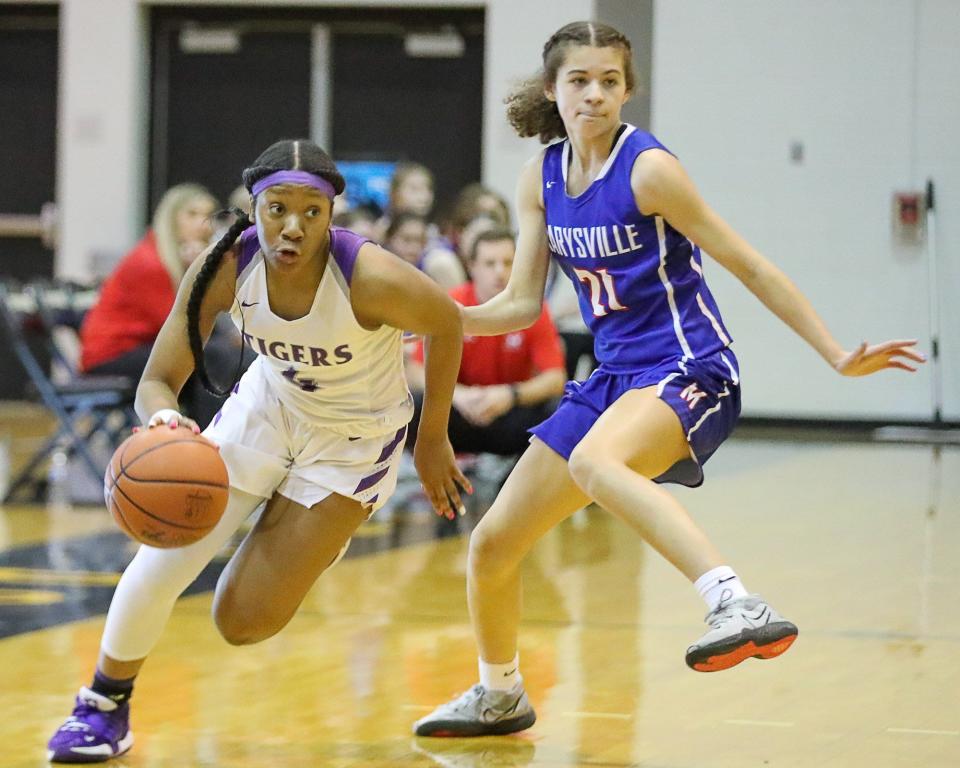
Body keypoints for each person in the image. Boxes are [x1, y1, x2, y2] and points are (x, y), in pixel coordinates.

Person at [412, 21, 924, 738]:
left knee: (598, 461)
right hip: (616, 377)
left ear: (627, 90)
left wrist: (836, 355)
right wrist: (427, 317)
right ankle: (500, 693)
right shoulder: (543, 178)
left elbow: (750, 265)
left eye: (610, 82)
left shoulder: (648, 170)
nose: (595, 94)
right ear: (553, 89)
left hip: (690, 366)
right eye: (580, 81)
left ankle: (733, 600)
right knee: (493, 544)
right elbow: (521, 305)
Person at [46, 139, 470, 763]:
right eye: (277, 208)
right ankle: (103, 706)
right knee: (164, 558)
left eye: (310, 212)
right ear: (254, 207)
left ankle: (312, 529)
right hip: (267, 408)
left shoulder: (368, 275)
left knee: (241, 622)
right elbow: (157, 379)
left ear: (331, 215)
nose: (292, 226)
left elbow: (448, 324)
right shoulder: (224, 265)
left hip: (353, 439)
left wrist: (430, 439)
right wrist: (167, 425)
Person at [78, 183, 236, 428]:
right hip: (111, 355)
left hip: (142, 346)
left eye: (207, 215)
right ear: (171, 219)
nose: (201, 223)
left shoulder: (172, 259)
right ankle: (210, 432)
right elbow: (182, 326)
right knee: (214, 355)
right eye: (191, 214)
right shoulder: (150, 263)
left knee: (217, 356)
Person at [406, 227, 566, 457]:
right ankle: (429, 476)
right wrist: (456, 395)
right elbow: (415, 370)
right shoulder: (452, 304)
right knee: (415, 405)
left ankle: (518, 482)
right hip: (460, 409)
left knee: (558, 410)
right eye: (490, 263)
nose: (500, 272)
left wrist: (509, 395)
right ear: (472, 267)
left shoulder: (534, 310)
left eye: (508, 263)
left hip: (509, 412)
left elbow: (555, 379)